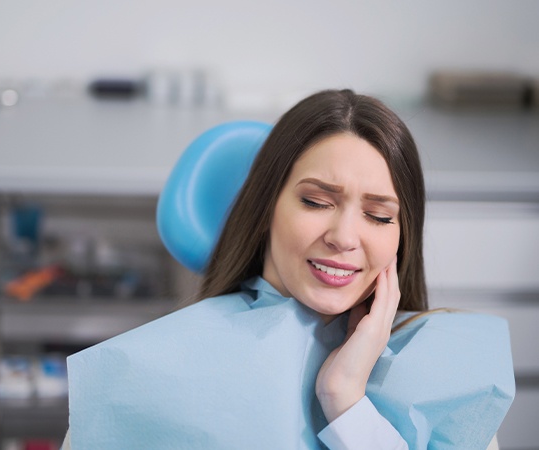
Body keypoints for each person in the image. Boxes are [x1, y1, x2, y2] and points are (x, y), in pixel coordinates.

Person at [63, 89, 514, 449]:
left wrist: (346, 402)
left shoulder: (449, 379)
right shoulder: (147, 375)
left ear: (402, 237)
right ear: (266, 208)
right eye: (317, 202)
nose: (344, 236)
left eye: (379, 215)